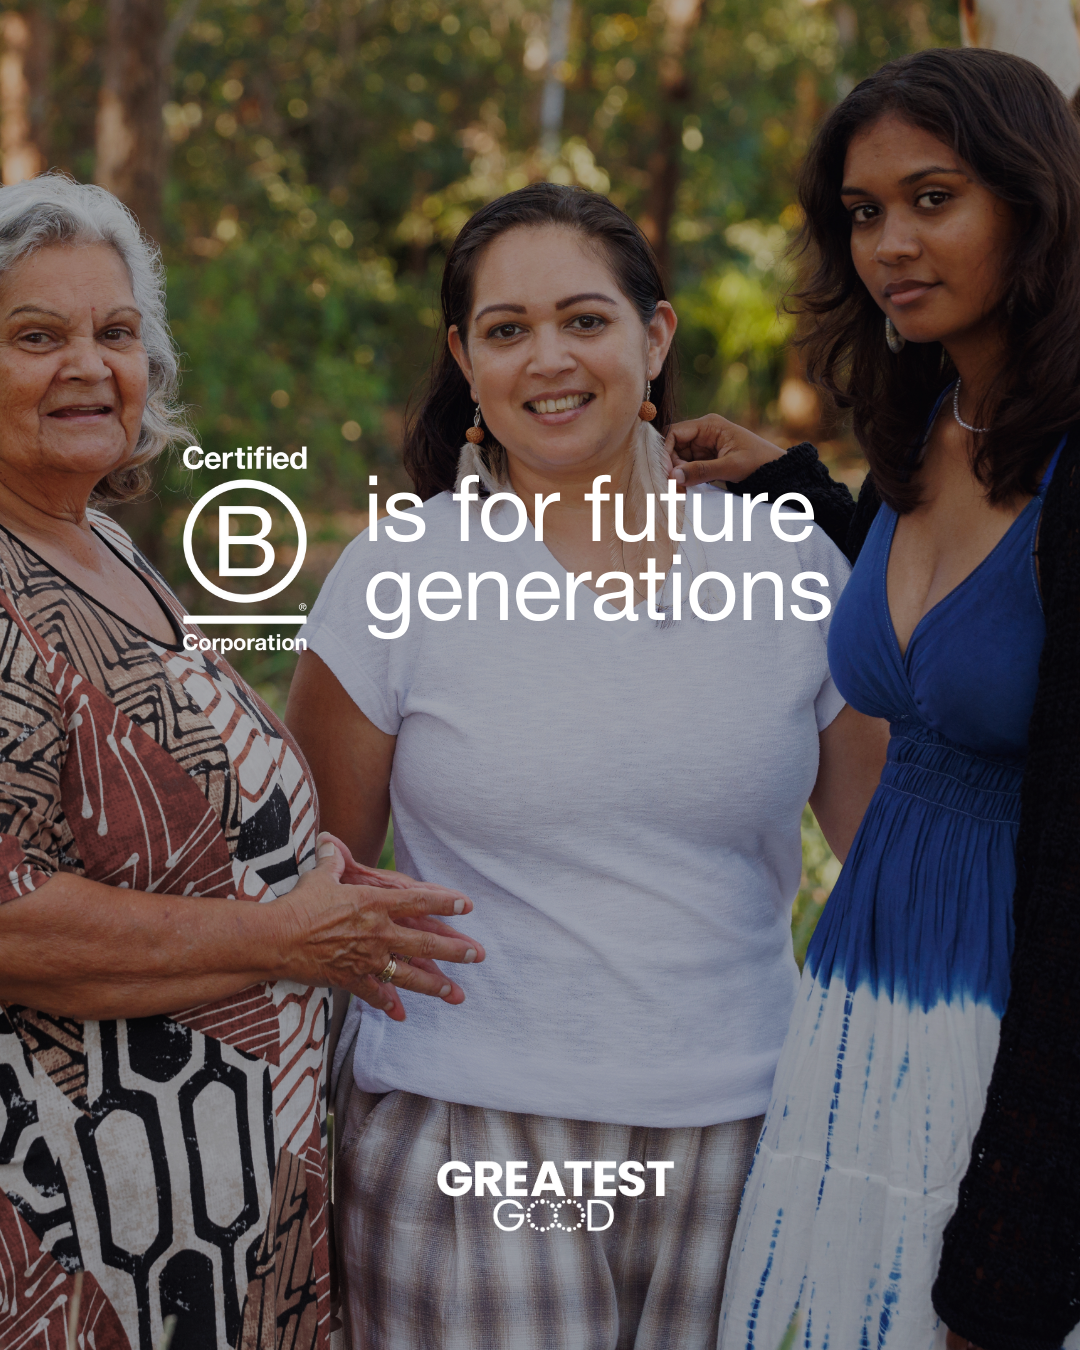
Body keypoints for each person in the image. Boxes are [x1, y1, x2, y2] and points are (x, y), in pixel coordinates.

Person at [286, 182, 888, 1350]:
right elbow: (317, 884)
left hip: (750, 1135)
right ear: (465, 360)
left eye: (585, 320)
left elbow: (888, 849)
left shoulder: (789, 562)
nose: (548, 358)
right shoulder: (397, 575)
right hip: (476, 1133)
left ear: (654, 337)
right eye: (506, 329)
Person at [0, 173, 485, 1350]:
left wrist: (310, 879)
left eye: (117, 333)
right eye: (37, 336)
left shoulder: (97, 542)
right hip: (86, 1236)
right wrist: (279, 937)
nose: (89, 365)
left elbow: (179, 812)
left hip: (224, 1219)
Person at [664, 48, 1080, 1350]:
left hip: (1019, 1027)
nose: (890, 243)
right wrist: (796, 487)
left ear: (1035, 204)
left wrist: (1019, 1248)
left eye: (933, 199)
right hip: (859, 997)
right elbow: (953, 638)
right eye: (862, 212)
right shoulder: (928, 418)